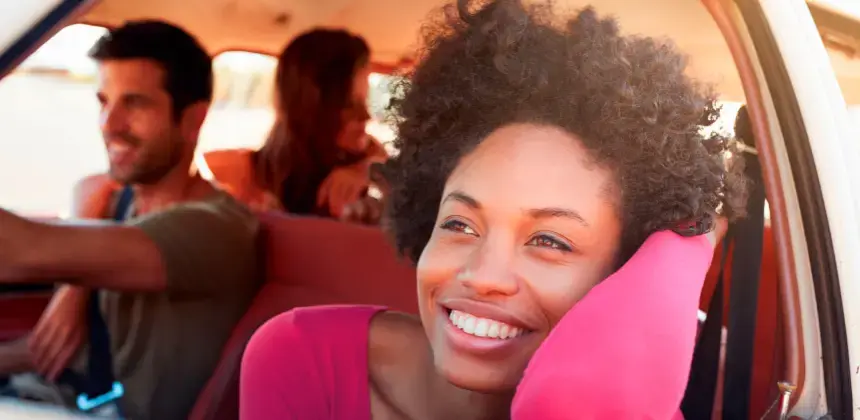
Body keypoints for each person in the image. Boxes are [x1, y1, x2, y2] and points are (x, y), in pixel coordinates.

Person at [238, 0, 749, 418]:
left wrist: (689, 237)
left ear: (625, 272)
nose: (482, 276)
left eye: (549, 240)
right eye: (460, 223)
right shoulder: (299, 356)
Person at [0, 20, 260, 420]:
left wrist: (74, 276)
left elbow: (20, 251)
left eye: (135, 103)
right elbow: (54, 349)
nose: (109, 124)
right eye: (104, 101)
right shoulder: (122, 204)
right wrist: (76, 284)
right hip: (71, 395)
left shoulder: (217, 228)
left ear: (192, 120)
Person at [205, 28, 388, 220]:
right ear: (310, 108)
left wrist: (370, 172)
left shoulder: (373, 168)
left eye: (366, 101)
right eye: (349, 105)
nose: (367, 116)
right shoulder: (244, 177)